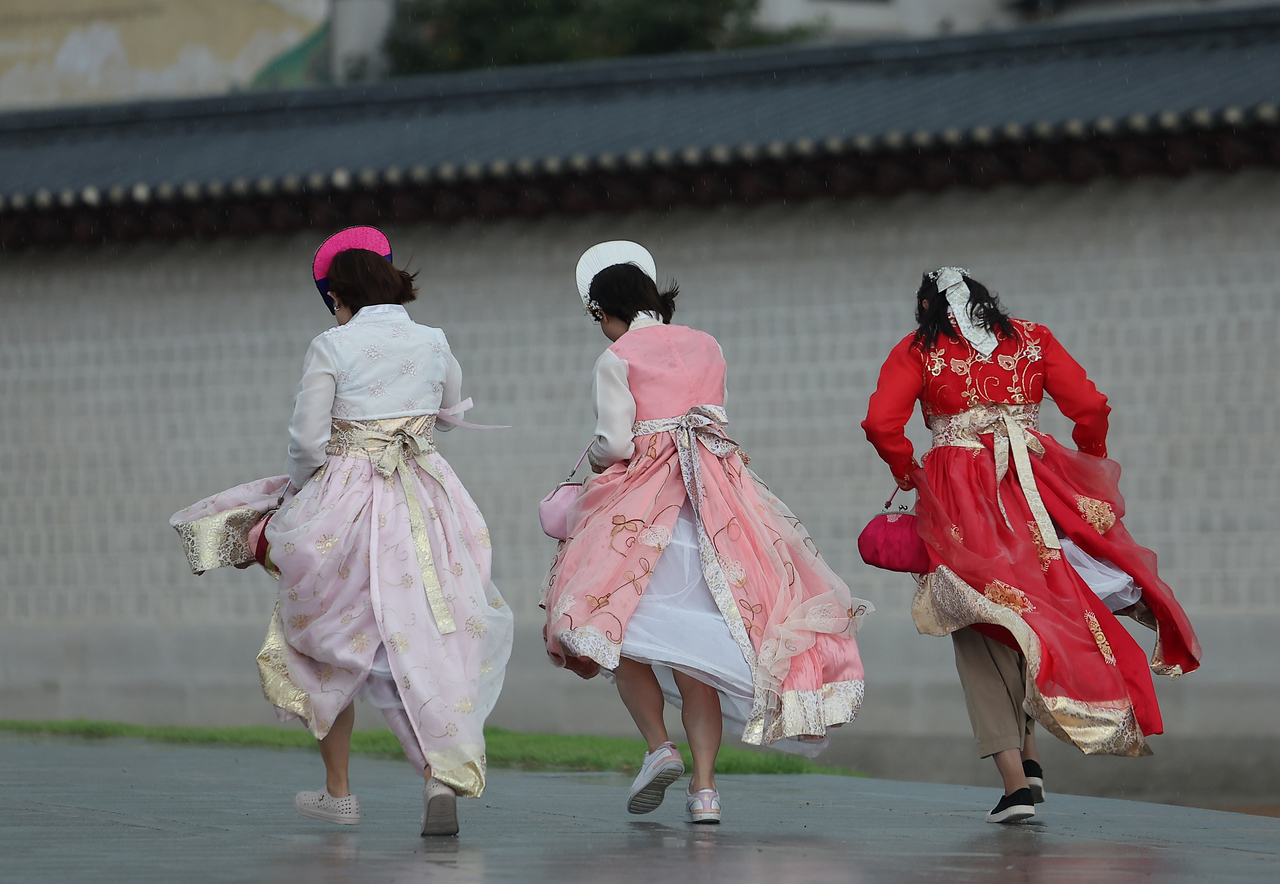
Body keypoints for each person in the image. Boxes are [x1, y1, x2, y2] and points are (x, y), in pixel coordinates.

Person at [171, 227, 512, 836]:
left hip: (351, 499)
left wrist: (305, 489)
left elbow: (304, 440)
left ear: (339, 296)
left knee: (327, 638)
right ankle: (441, 771)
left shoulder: (332, 344)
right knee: (429, 629)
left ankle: (340, 791)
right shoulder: (432, 339)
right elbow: (452, 412)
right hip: (424, 493)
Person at [542, 241, 872, 825]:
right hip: (719, 507)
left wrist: (593, 461)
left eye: (598, 316)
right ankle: (705, 791)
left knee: (616, 627)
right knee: (695, 657)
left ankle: (658, 747)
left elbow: (617, 443)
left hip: (646, 507)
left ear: (608, 309)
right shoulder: (707, 345)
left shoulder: (617, 356)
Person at [862, 267, 1201, 824]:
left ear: (928, 308)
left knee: (978, 626)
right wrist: (1086, 459)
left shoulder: (921, 348)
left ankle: (1015, 785)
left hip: (961, 498)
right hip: (1036, 488)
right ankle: (1034, 758)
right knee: (1028, 613)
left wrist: (906, 471)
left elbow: (881, 422)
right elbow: (1090, 408)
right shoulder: (1032, 337)